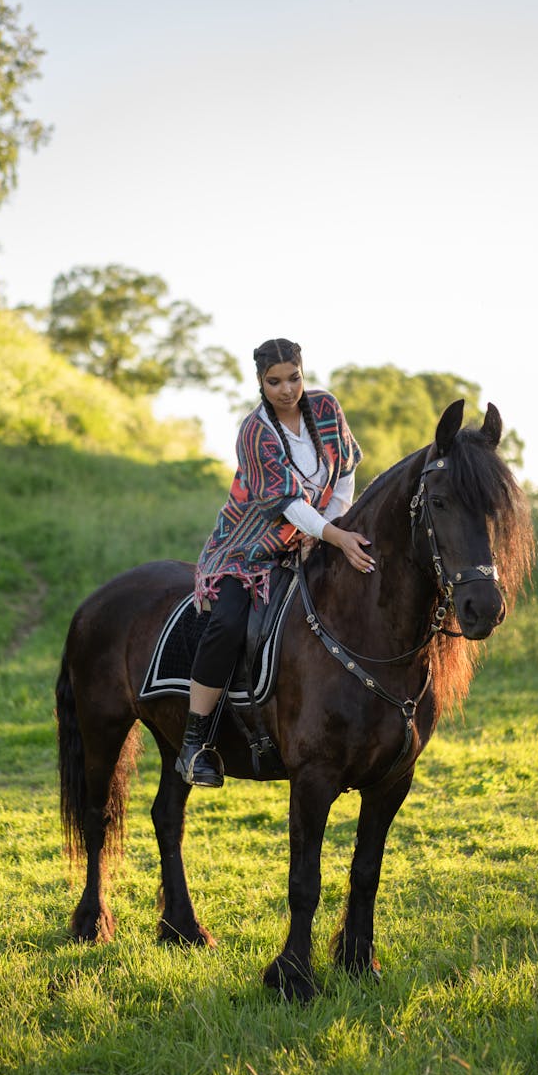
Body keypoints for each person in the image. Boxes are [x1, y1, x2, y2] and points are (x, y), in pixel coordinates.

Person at [176, 337, 375, 787]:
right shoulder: (255, 431)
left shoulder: (325, 409)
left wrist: (328, 530)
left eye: (294, 378)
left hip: (314, 536)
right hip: (247, 549)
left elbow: (343, 473)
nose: (287, 389)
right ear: (261, 383)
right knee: (227, 623)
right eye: (275, 381)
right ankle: (194, 743)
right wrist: (335, 536)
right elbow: (287, 502)